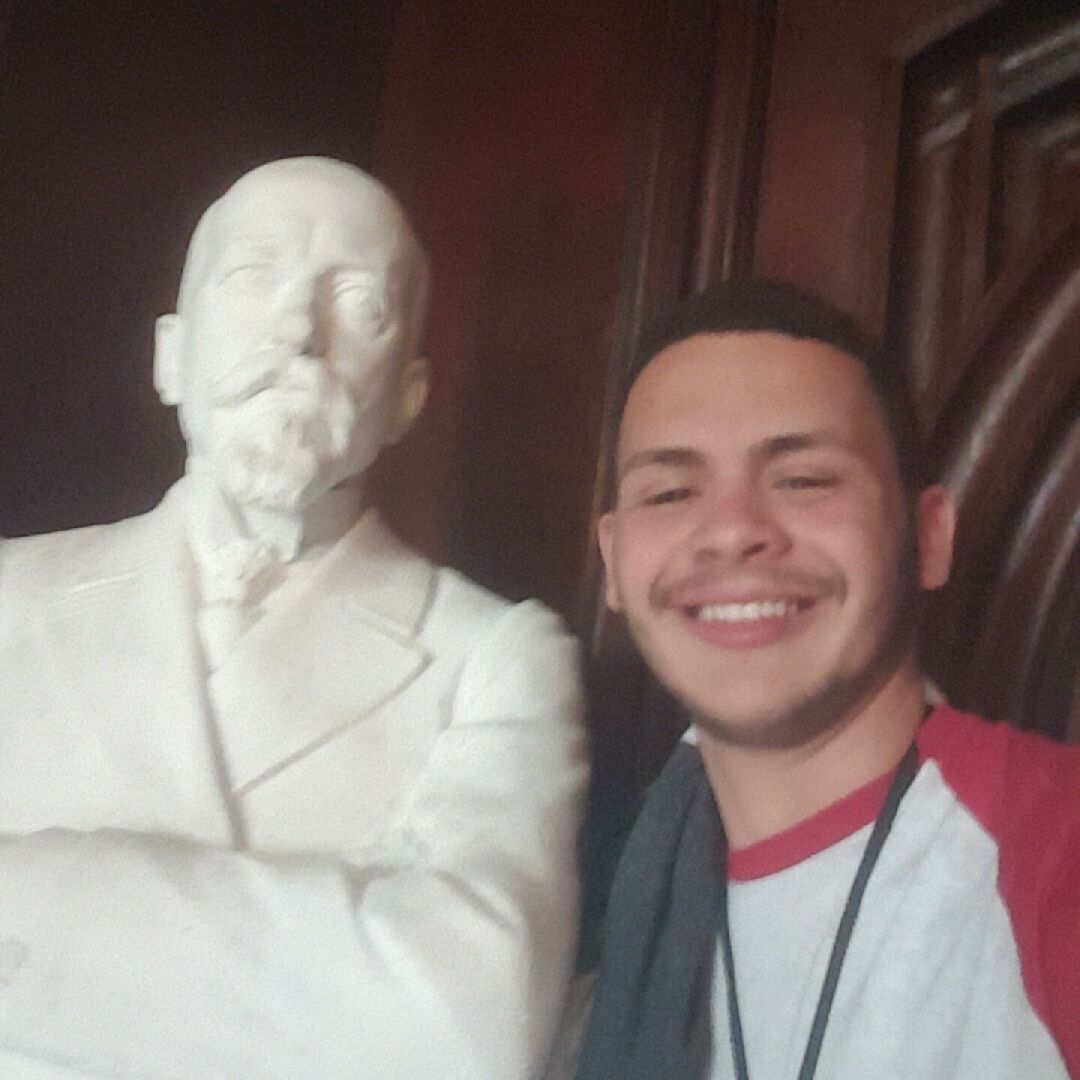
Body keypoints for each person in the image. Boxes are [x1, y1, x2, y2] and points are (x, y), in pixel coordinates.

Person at [0, 157, 587, 1080]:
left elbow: (469, 1021)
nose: (299, 333)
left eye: (359, 304)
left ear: (408, 396)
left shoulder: (496, 656)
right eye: (251, 276)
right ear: (169, 356)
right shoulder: (12, 597)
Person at [575, 281, 1079, 1079]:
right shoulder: (585, 905)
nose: (731, 530)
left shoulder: (1055, 851)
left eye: (804, 478)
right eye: (670, 492)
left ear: (928, 536)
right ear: (613, 561)